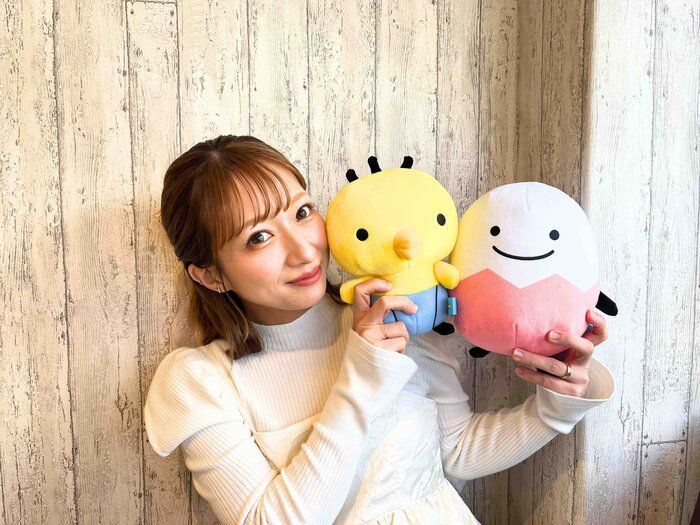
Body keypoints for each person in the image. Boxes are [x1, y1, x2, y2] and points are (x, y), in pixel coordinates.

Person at [144, 135, 616, 524]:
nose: (304, 251)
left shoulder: (392, 315)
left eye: (302, 212)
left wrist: (556, 406)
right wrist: (360, 381)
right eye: (259, 238)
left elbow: (456, 452)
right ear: (210, 274)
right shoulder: (199, 381)